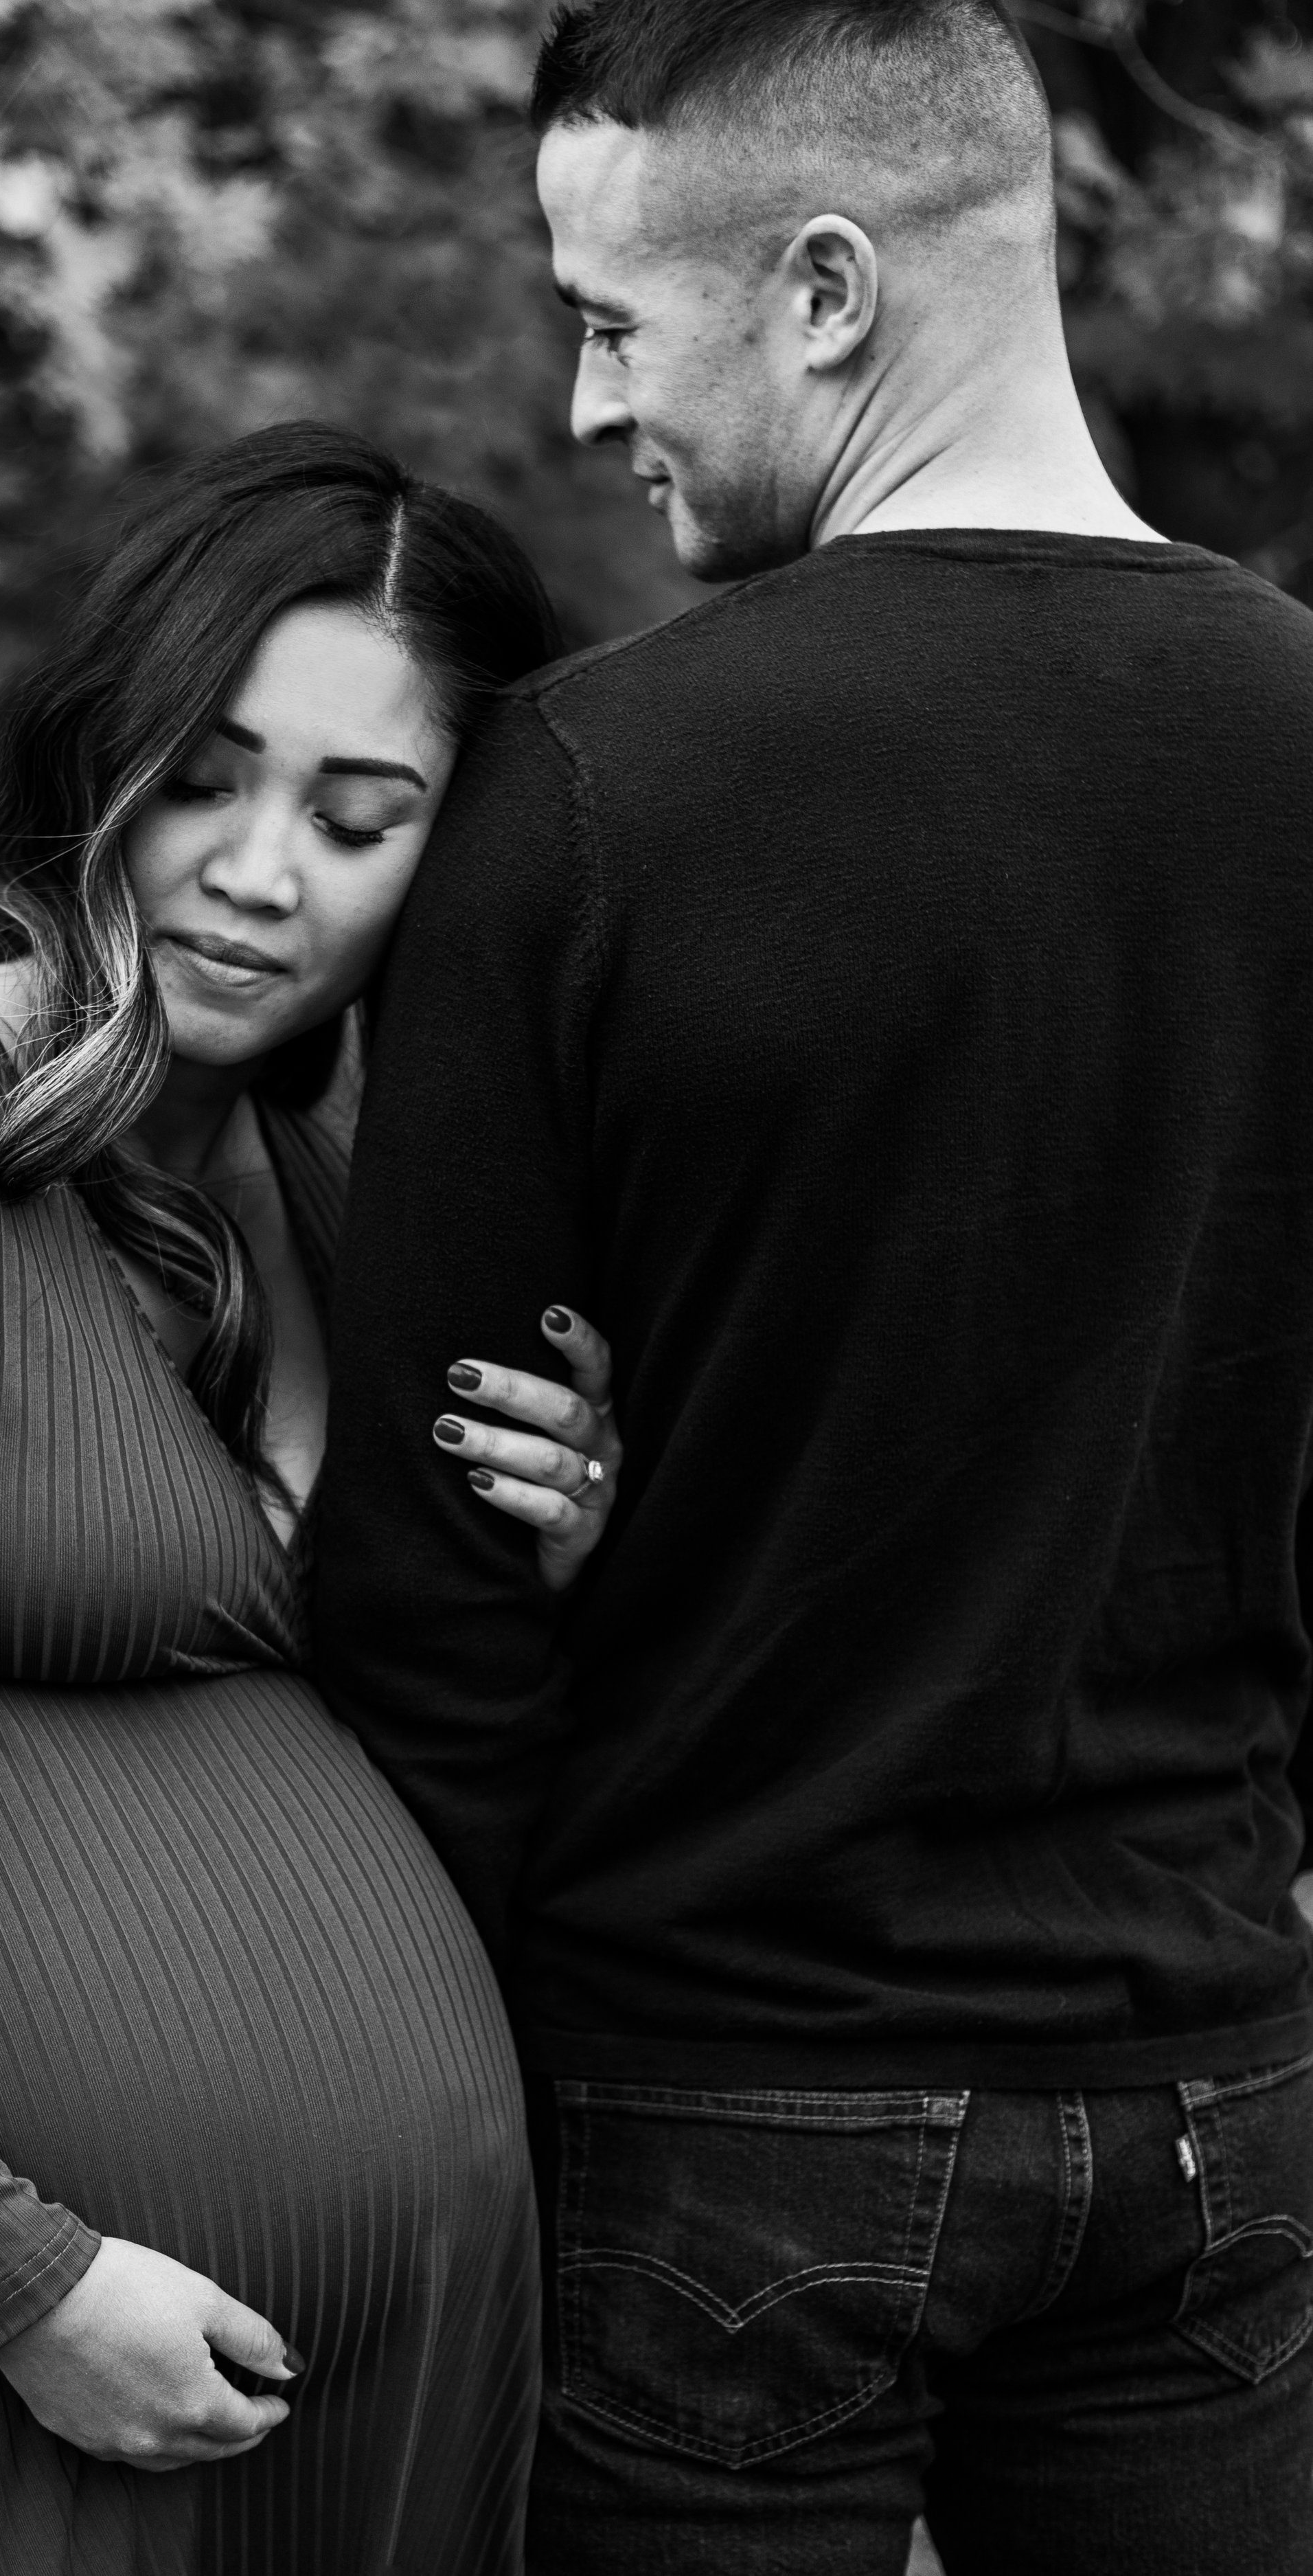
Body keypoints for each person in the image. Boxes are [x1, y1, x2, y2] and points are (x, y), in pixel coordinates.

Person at [312, 5, 1313, 2572]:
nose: (581, 402)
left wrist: (427, 2127)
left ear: (829, 288)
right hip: (1210, 2085)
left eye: (615, 317)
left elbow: (435, 1599)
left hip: (717, 2105)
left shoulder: (578, 791)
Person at [0, 422, 624, 2576]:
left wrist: (575, 1545)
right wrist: (19, 2278)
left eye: (361, 818)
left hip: (351, 2399)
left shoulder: (359, 1213)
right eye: (204, 778)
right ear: (102, 762)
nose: (261, 870)